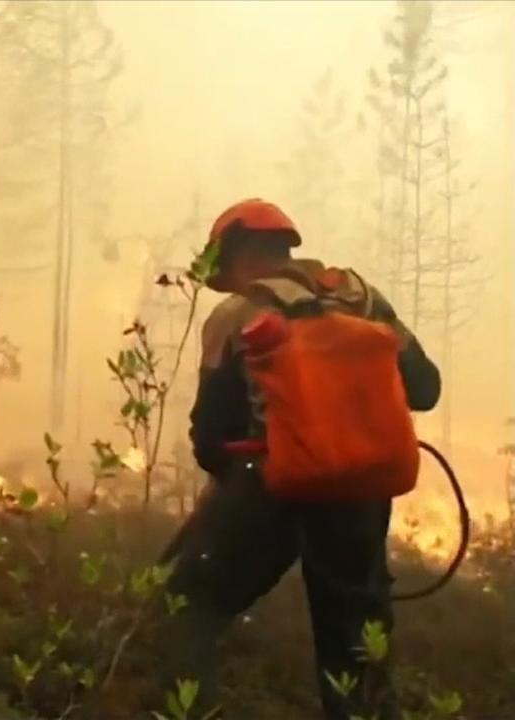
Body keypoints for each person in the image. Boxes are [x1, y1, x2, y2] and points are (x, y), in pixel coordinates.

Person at [160, 198, 441, 719]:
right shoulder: (363, 299)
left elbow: (210, 438)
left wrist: (238, 497)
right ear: (286, 247)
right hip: (362, 495)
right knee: (355, 650)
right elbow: (426, 388)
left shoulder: (237, 314)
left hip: (274, 486)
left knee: (185, 605)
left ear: (237, 258)